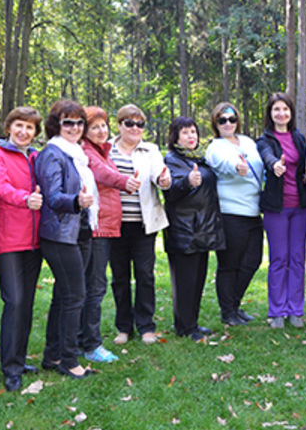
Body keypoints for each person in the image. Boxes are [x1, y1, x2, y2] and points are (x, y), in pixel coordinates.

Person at [35, 100, 97, 379]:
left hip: (80, 231)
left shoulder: (77, 154)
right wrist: (77, 201)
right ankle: (70, 361)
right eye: (67, 122)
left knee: (63, 296)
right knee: (75, 296)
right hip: (60, 233)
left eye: (79, 122)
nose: (74, 127)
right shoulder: (53, 153)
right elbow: (53, 196)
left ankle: (53, 355)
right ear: (56, 125)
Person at [0, 106, 44, 392]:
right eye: (19, 126)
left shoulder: (35, 156)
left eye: (30, 128)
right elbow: (1, 186)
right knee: (15, 300)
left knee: (27, 302)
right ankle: (10, 368)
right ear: (9, 127)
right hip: (8, 240)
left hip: (34, 241)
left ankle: (19, 360)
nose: (24, 132)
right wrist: (25, 199)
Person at [79, 106, 139, 362]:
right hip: (97, 228)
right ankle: (90, 344)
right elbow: (101, 175)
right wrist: (125, 181)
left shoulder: (102, 151)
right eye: (95, 127)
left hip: (107, 226)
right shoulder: (87, 152)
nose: (102, 131)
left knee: (94, 285)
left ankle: (82, 339)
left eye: (103, 126)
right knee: (94, 286)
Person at [108, 104, 171, 345]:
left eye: (140, 124)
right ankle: (124, 327)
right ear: (119, 125)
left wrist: (164, 180)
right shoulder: (108, 151)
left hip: (145, 224)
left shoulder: (151, 150)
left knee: (145, 275)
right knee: (120, 276)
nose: (135, 128)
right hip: (115, 224)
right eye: (129, 123)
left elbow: (160, 176)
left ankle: (146, 326)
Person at [163, 117, 226, 341]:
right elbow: (170, 192)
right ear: (176, 136)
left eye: (193, 132)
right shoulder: (171, 160)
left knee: (198, 279)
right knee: (185, 282)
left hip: (203, 228)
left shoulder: (199, 158)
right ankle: (184, 327)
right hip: (184, 230)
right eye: (185, 133)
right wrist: (187, 181)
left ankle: (193, 323)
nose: (191, 136)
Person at [206, 102, 264, 326]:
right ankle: (228, 311)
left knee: (252, 261)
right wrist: (236, 167)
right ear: (216, 124)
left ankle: (235, 304)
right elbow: (223, 163)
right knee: (229, 264)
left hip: (253, 211)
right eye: (222, 120)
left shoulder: (248, 142)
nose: (228, 123)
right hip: (230, 212)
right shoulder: (216, 147)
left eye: (231, 119)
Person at [256, 93, 306, 328]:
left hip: (300, 207)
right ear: (270, 113)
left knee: (298, 258)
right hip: (276, 208)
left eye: (285, 109)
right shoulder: (265, 139)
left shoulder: (299, 138)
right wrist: (274, 164)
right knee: (279, 259)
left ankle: (295, 310)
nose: (281, 114)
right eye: (276, 109)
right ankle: (277, 310)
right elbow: (267, 156)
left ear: (291, 112)